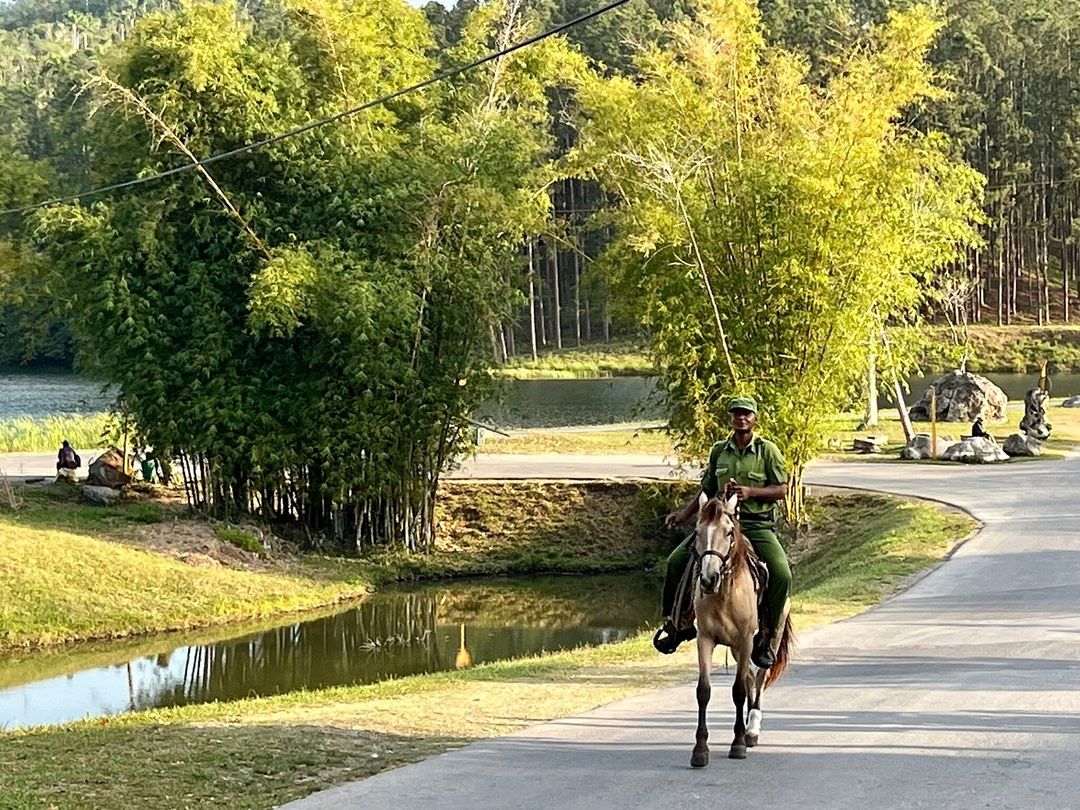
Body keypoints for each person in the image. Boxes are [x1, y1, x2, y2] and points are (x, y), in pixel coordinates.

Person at [652, 396, 791, 668]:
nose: (741, 418)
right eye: (737, 414)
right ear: (731, 418)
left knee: (782, 573)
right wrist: (683, 515)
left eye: (746, 414)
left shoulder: (767, 450)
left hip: (755, 524)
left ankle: (766, 636)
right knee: (676, 561)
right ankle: (676, 624)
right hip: (719, 524)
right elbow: (706, 489)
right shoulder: (719, 451)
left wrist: (751, 492)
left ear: (755, 419)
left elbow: (782, 489)